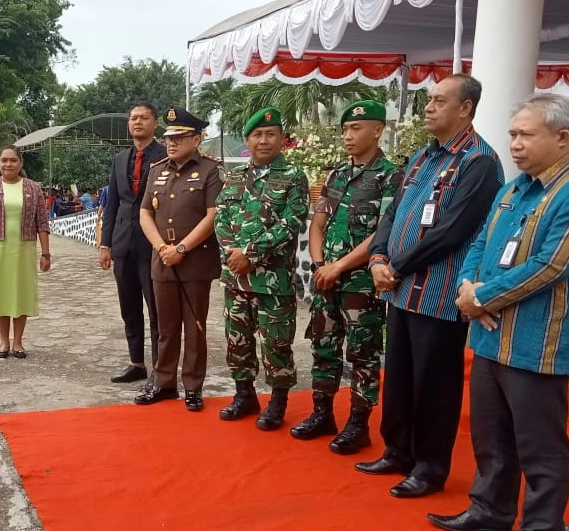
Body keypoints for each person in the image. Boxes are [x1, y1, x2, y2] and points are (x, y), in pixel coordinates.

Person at [427, 93, 569, 531]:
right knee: (491, 434)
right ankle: (491, 509)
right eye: (512, 134)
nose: (514, 143)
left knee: (540, 444)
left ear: (563, 137)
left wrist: (482, 297)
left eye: (525, 134)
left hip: (537, 340)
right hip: (491, 336)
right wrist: (469, 288)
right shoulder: (515, 189)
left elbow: (554, 263)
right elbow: (481, 243)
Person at [358, 74, 504, 498]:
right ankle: (398, 451)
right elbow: (392, 212)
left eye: (439, 100)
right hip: (401, 291)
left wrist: (397, 266)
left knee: (434, 386)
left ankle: (430, 466)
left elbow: (452, 230)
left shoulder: (479, 162)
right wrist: (379, 257)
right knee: (400, 376)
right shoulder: (423, 156)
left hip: (438, 297)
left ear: (466, 108)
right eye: (429, 99)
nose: (428, 107)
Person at [290, 100, 402, 454]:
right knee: (323, 346)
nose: (348, 136)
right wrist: (322, 263)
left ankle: (359, 424)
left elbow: (385, 231)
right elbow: (318, 223)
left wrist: (340, 266)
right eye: (345, 130)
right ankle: (322, 414)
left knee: (362, 353)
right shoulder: (336, 174)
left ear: (378, 130)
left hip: (361, 283)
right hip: (328, 279)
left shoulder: (391, 176)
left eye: (356, 129)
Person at [215, 106, 309, 426]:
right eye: (258, 135)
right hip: (236, 280)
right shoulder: (235, 177)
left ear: (282, 138)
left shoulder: (294, 177)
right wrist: (232, 253)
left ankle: (278, 401)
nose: (264, 141)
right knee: (237, 340)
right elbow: (222, 219)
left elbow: (291, 223)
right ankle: (245, 395)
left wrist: (250, 255)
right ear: (248, 140)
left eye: (271, 134)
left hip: (273, 280)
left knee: (276, 343)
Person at [137, 106, 222, 411]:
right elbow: (146, 212)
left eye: (180, 137)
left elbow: (213, 216)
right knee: (167, 326)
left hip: (194, 262)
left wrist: (181, 249)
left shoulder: (211, 171)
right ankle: (163, 383)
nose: (171, 143)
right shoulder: (157, 170)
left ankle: (193, 386)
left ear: (196, 139)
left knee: (194, 326)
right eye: (169, 137)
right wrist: (162, 247)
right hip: (162, 260)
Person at [100, 102, 167, 384]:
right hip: (123, 244)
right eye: (133, 118)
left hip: (154, 245)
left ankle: (160, 368)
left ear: (154, 123)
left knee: (157, 310)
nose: (138, 122)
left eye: (144, 118)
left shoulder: (166, 155)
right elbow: (112, 205)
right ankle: (136, 363)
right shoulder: (119, 159)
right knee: (129, 307)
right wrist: (106, 245)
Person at [0, 145, 51, 358]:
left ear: (20, 163)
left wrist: (46, 253)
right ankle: (3, 341)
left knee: (21, 292)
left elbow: (42, 222)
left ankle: (18, 342)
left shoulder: (33, 188)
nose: (8, 164)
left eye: (13, 160)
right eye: (4, 160)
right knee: (1, 292)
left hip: (24, 248)